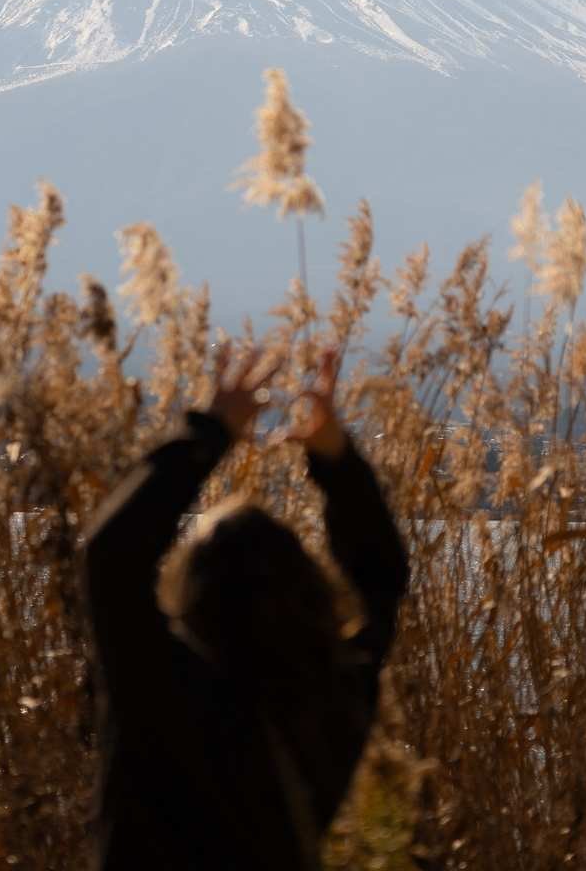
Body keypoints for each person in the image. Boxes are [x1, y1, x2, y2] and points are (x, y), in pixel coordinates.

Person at [84, 345, 410, 870]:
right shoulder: (331, 700)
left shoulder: (157, 684)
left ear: (191, 587)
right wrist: (337, 463)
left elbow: (112, 555)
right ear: (308, 588)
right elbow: (382, 579)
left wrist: (210, 433)